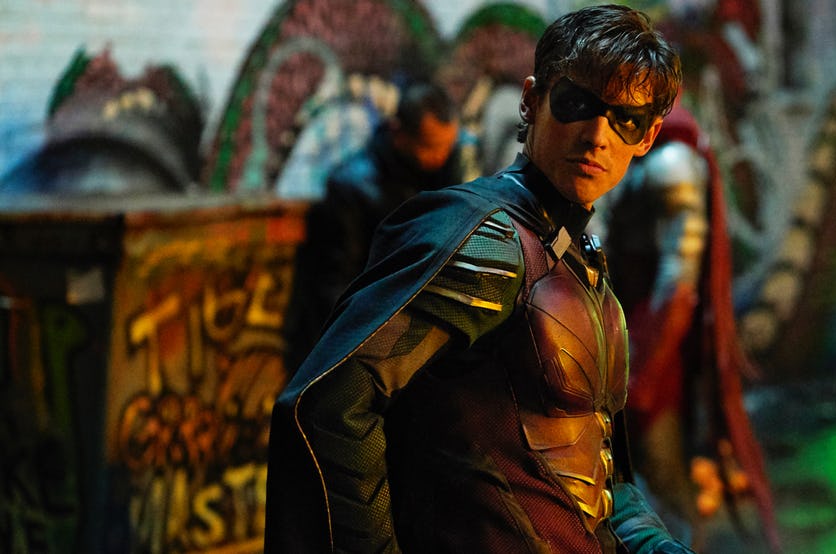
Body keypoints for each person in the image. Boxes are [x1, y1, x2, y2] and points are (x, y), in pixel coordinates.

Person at [265, 5, 693, 553]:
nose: (596, 136)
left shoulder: (578, 259)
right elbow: (328, 405)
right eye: (576, 103)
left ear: (648, 135)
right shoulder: (485, 242)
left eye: (624, 119)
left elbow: (599, 479)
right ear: (532, 101)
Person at [597, 103, 781, 551]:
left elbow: (678, 275)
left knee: (661, 478)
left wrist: (646, 366)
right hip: (629, 329)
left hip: (649, 340)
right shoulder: (653, 153)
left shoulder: (672, 160)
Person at [282, 79, 473, 372]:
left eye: (448, 147)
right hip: (359, 344)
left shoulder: (443, 176)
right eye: (430, 147)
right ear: (399, 133)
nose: (441, 156)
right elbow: (336, 286)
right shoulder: (351, 187)